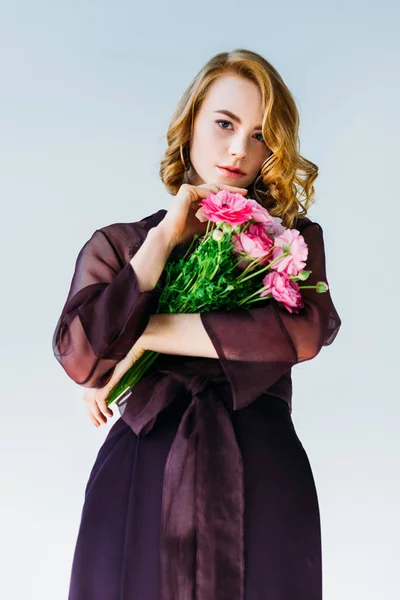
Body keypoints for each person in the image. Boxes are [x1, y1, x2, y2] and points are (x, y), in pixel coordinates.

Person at [52, 48, 342, 600]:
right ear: (190, 126)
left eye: (260, 135)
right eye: (225, 124)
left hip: (262, 475)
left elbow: (301, 335)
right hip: (141, 472)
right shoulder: (121, 245)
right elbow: (81, 357)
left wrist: (143, 339)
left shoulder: (288, 244)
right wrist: (164, 238)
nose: (238, 149)